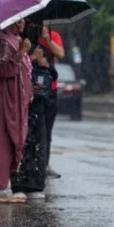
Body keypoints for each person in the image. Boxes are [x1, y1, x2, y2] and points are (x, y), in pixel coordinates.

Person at [0, 18, 33, 204]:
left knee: (6, 142)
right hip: (3, 100)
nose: (21, 23)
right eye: (17, 19)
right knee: (1, 142)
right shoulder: (1, 40)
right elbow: (5, 70)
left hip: (13, 99)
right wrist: (21, 51)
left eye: (23, 20)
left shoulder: (15, 39)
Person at [11, 25, 56, 200]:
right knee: (23, 144)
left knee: (39, 144)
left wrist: (44, 64)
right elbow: (13, 68)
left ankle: (36, 182)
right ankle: (19, 182)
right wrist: (28, 56)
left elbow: (53, 74)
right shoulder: (17, 46)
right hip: (21, 104)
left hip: (39, 106)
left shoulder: (41, 49)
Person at [38, 25, 64, 178]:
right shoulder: (27, 34)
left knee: (47, 130)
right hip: (31, 89)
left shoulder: (53, 35)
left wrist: (47, 39)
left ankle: (44, 163)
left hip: (49, 89)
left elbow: (60, 53)